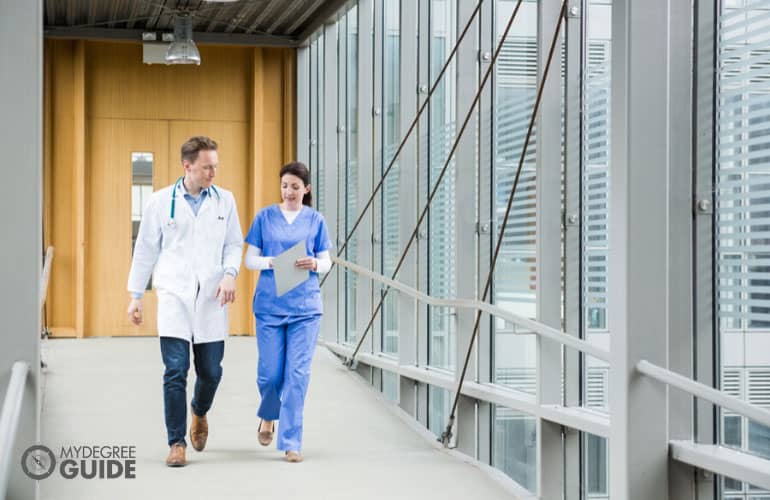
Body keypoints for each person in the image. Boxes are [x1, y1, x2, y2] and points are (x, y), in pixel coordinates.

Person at [126, 136, 243, 467]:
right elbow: (146, 249)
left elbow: (234, 243)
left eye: (216, 166)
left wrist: (230, 274)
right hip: (174, 295)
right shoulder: (161, 202)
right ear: (187, 165)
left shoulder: (225, 201)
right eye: (207, 167)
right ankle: (176, 443)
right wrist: (136, 296)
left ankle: (200, 411)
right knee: (175, 370)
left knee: (211, 372)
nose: (213, 173)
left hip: (211, 296)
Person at [244, 161, 332, 463]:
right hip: (269, 307)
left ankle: (291, 441)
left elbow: (327, 260)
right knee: (270, 375)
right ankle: (268, 415)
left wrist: (315, 265)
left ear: (305, 189)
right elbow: (249, 260)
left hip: (305, 309)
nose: (289, 191)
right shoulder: (265, 218)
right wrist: (274, 262)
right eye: (285, 185)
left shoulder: (315, 220)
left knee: (297, 375)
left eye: (295, 186)